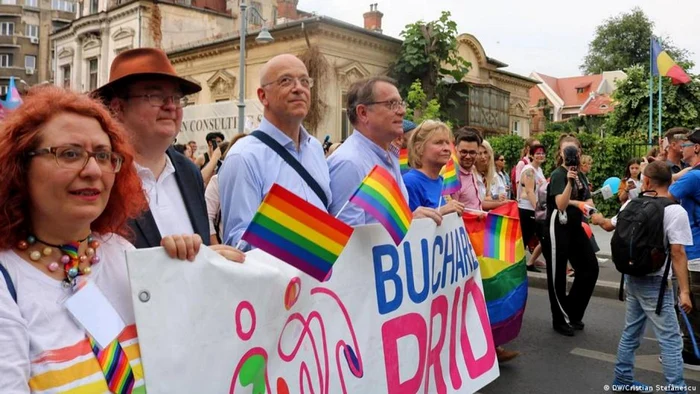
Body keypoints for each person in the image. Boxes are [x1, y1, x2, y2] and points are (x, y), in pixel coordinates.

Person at [0, 86, 245, 392]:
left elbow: (186, 358)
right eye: (70, 153)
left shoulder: (122, 253)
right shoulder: (7, 283)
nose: (92, 170)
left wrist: (198, 276)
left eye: (104, 155)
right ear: (19, 167)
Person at [592, 161, 693, 392]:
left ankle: (623, 380)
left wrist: (597, 218)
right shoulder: (675, 211)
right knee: (670, 340)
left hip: (631, 277)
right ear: (670, 181)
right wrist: (684, 292)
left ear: (646, 181)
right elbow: (678, 253)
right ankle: (676, 388)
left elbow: (609, 226)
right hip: (655, 282)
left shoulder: (630, 204)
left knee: (632, 331)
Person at [96, 48, 211, 249]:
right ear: (118, 107)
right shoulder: (101, 173)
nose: (171, 106)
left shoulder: (189, 172)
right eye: (156, 96)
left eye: (176, 98)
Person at [219, 54, 331, 248]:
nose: (299, 89)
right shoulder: (244, 157)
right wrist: (303, 242)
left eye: (305, 81)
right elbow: (238, 242)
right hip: (280, 277)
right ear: (263, 96)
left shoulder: (315, 148)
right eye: (285, 81)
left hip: (325, 275)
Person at [328, 76, 441, 226]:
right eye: (392, 104)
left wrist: (410, 221)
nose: (402, 111)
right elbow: (350, 240)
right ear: (363, 113)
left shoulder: (389, 156)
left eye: (401, 103)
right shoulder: (349, 163)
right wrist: (408, 223)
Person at [542, 134, 599, 337]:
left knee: (590, 267)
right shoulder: (558, 174)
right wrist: (569, 182)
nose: (571, 154)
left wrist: (592, 212)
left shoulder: (581, 175)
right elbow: (561, 204)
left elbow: (589, 202)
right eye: (567, 151)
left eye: (574, 151)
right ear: (560, 153)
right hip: (558, 226)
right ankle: (560, 319)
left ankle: (573, 311)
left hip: (576, 225)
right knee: (557, 274)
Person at [669, 128, 700, 371]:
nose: (682, 147)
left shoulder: (692, 178)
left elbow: (663, 196)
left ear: (697, 148)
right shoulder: (692, 174)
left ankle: (692, 354)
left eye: (686, 144)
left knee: (689, 302)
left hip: (693, 251)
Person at [402, 120, 464, 215]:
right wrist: (442, 211)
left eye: (448, 143)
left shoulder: (442, 181)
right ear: (419, 148)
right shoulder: (410, 182)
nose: (447, 148)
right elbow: (409, 226)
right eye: (439, 143)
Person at [206, 135, 248, 245]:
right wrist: (217, 248)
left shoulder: (261, 181)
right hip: (226, 251)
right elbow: (207, 218)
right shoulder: (217, 180)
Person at [518, 144, 547, 272]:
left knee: (541, 238)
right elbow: (529, 191)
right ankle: (518, 267)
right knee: (524, 239)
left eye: (542, 153)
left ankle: (529, 264)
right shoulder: (529, 170)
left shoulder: (539, 170)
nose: (540, 155)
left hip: (534, 209)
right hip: (527, 210)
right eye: (537, 153)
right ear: (531, 155)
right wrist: (538, 210)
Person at [452, 128, 483, 211]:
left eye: (472, 152)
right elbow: (452, 214)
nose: (468, 156)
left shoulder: (472, 170)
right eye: (464, 152)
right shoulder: (452, 178)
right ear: (456, 150)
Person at [478, 140, 508, 211]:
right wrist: (495, 198)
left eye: (485, 152)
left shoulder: (494, 174)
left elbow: (502, 195)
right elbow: (477, 201)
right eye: (480, 153)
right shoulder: (472, 174)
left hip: (493, 215)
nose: (483, 156)